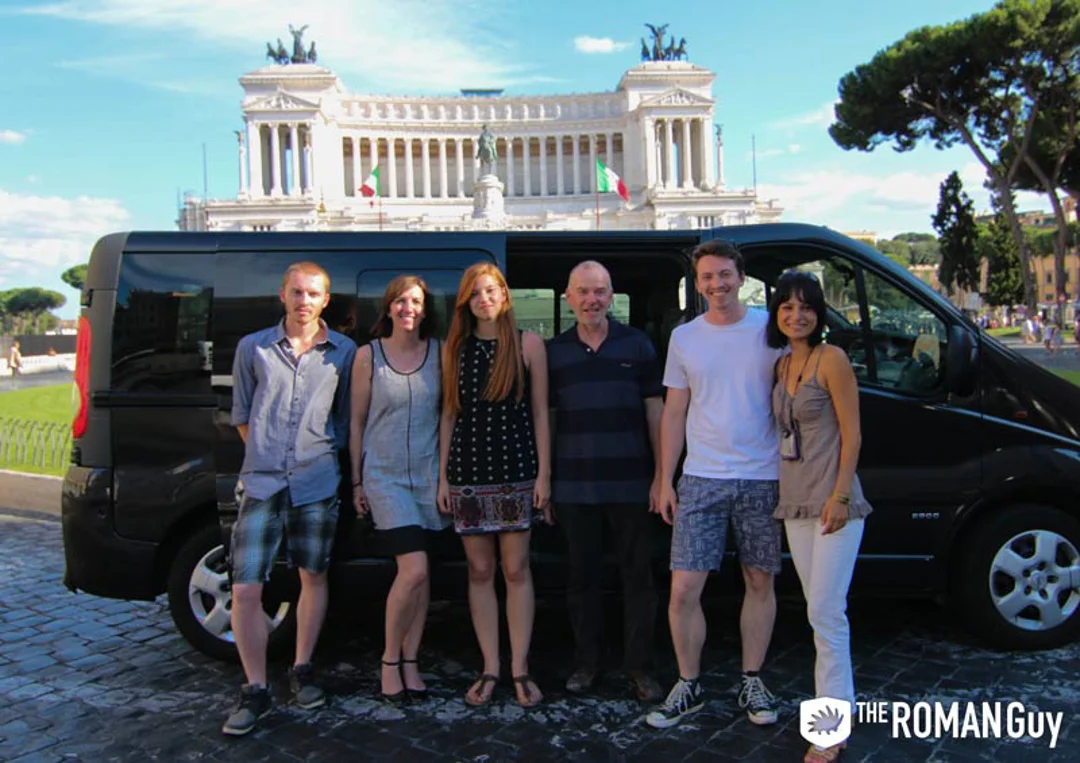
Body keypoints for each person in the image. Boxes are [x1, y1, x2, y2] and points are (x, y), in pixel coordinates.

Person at [646, 239, 783, 730]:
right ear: (697, 284)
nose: (716, 284)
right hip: (701, 476)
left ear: (741, 277)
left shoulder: (771, 328)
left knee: (759, 580)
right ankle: (689, 683)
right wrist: (665, 478)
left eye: (724, 274)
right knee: (683, 588)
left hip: (763, 475)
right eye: (707, 277)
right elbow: (675, 411)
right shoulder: (686, 337)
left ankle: (752, 677)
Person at [223, 262, 356, 736]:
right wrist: (267, 453)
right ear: (283, 295)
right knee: (245, 587)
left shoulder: (343, 352)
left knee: (313, 576)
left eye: (314, 294)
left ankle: (302, 668)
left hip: (317, 482)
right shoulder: (252, 348)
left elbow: (344, 421)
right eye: (297, 292)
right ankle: (255, 687)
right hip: (261, 482)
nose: (304, 301)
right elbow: (242, 413)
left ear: (326, 300)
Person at [767, 271, 873, 763]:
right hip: (796, 502)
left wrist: (841, 496)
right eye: (786, 306)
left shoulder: (832, 360)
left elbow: (852, 436)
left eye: (805, 305)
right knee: (820, 614)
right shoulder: (782, 364)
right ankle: (841, 712)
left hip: (834, 503)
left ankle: (829, 728)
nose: (796, 314)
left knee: (826, 614)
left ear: (819, 311)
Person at [547, 261, 664, 703]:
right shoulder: (554, 351)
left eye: (600, 291)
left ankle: (640, 667)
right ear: (568, 297)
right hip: (575, 487)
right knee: (582, 581)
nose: (592, 299)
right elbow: (550, 420)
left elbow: (655, 411)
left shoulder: (637, 344)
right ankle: (587, 663)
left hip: (633, 484)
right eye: (583, 291)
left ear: (611, 296)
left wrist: (660, 475)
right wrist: (549, 480)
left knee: (639, 580)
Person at [437, 262, 552, 708]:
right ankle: (490, 666)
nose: (484, 299)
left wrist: (544, 474)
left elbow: (541, 414)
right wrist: (444, 477)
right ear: (466, 302)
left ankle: (520, 668)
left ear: (504, 295)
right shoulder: (455, 349)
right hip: (468, 474)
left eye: (491, 291)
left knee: (516, 570)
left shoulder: (528, 345)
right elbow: (449, 414)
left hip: (516, 473)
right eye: (475, 293)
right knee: (480, 572)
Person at [349, 275, 448, 704]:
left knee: (422, 577)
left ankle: (412, 660)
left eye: (417, 302)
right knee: (414, 569)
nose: (409, 308)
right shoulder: (368, 356)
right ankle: (390, 660)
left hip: (426, 475)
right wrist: (356, 479)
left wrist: (445, 476)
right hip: (385, 476)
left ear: (425, 310)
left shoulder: (439, 353)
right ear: (388, 308)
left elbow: (447, 417)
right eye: (401, 301)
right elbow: (355, 422)